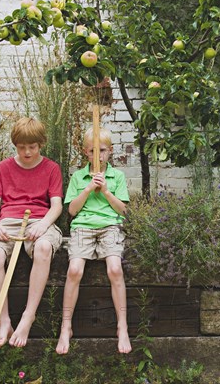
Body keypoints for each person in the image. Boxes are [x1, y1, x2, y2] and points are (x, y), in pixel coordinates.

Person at [0, 117, 63, 348]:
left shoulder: (51, 168)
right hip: (7, 222)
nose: (27, 152)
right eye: (21, 147)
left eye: (32, 147)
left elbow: (56, 205)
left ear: (41, 144)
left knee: (44, 247)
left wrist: (43, 224)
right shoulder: (3, 168)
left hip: (39, 221)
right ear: (15, 145)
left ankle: (28, 315)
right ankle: (3, 320)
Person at [56, 127, 131, 355]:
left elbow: (123, 210)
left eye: (102, 151)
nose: (98, 156)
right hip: (83, 227)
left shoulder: (117, 176)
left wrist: (106, 191)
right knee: (75, 270)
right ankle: (66, 325)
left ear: (110, 151)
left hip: (110, 226)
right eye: (92, 151)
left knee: (115, 269)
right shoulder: (78, 177)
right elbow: (72, 211)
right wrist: (88, 188)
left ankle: (122, 325)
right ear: (85, 153)